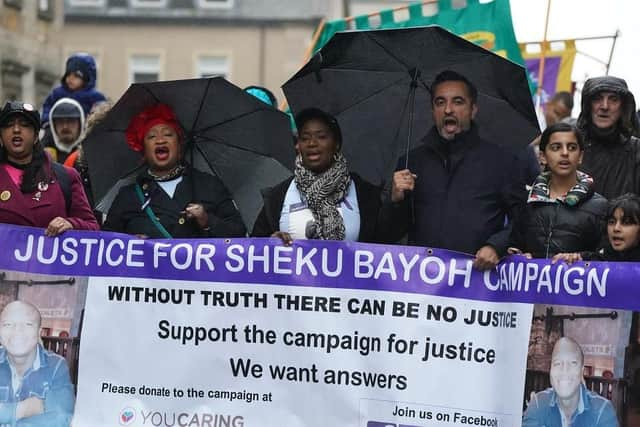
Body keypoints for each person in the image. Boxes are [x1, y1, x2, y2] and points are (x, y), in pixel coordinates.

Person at [387, 70, 533, 269]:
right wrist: (395, 202)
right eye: (440, 102)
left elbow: (522, 220)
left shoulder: (502, 161)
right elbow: (389, 233)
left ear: (473, 110)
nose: (448, 109)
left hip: (478, 282)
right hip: (422, 285)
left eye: (458, 102)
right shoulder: (411, 162)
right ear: (432, 110)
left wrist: (496, 246)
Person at [103, 103, 246, 238]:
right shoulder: (129, 196)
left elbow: (239, 233)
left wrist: (207, 220)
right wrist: (129, 243)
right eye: (152, 136)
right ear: (144, 152)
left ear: (179, 147)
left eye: (168, 134)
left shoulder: (210, 186)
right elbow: (107, 242)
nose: (160, 140)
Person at [252, 107, 386, 243]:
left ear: (336, 144)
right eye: (305, 138)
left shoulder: (363, 192)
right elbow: (252, 247)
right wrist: (268, 243)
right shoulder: (278, 196)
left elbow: (385, 243)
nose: (312, 143)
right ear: (297, 146)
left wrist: (396, 204)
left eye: (321, 137)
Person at [509, 123, 606, 258]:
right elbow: (514, 243)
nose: (565, 153)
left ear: (580, 156)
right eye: (556, 148)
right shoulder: (527, 201)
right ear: (542, 157)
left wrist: (580, 257)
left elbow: (607, 257)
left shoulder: (600, 206)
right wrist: (516, 255)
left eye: (572, 148)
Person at [0, 101, 98, 235]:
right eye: (8, 125)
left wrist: (72, 224)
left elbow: (93, 227)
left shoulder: (65, 176)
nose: (16, 129)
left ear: (35, 136)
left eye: (25, 125)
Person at [0, 300, 74, 427]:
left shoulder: (56, 366)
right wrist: (23, 409)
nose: (17, 331)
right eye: (8, 324)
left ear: (39, 332)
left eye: (28, 324)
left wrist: (6, 415)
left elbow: (62, 419)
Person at [523, 337, 618, 426]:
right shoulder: (538, 403)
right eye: (557, 363)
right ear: (550, 370)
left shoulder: (602, 411)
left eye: (573, 363)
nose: (564, 370)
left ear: (581, 372)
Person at [577, 76, 640, 199]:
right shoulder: (570, 146)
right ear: (588, 105)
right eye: (597, 99)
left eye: (613, 99)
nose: (605, 106)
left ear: (623, 107)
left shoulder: (636, 151)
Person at [553, 193, 640, 263]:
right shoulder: (596, 259)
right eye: (612, 222)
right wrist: (571, 259)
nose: (616, 228)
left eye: (626, 223)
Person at [40, 53, 106, 128]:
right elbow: (48, 106)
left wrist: (92, 124)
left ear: (87, 79)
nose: (71, 78)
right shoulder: (58, 93)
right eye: (68, 75)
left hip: (84, 130)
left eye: (76, 76)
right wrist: (47, 121)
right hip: (59, 129)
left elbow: (101, 113)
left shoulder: (95, 96)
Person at [42, 98, 85, 164]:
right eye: (60, 121)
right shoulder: (40, 155)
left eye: (71, 121)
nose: (65, 126)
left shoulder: (90, 153)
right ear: (53, 125)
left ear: (80, 124)